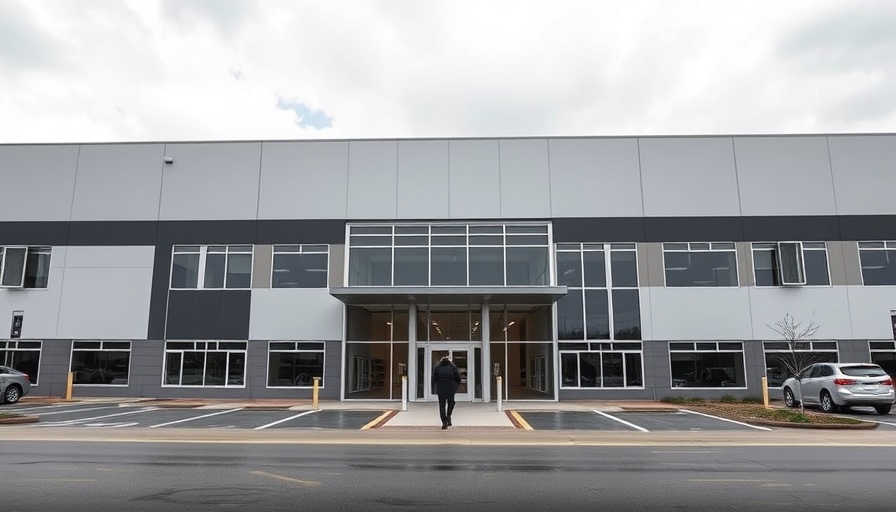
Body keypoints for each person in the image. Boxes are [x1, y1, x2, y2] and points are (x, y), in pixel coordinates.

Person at [432, 356, 461, 429]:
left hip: (441, 389)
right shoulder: (452, 368)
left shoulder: (437, 368)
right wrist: (455, 386)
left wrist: (434, 387)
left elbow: (434, 379)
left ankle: (444, 421)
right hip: (450, 389)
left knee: (442, 406)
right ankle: (448, 416)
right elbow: (458, 378)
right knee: (451, 403)